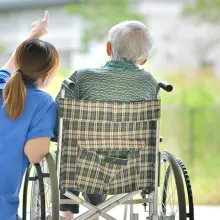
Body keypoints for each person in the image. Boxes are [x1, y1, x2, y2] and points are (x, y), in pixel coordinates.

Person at [55, 20, 158, 220]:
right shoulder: (149, 83)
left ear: (108, 48)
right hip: (131, 165)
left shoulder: (82, 77)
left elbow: (61, 112)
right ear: (144, 59)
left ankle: (67, 211)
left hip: (83, 163)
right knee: (111, 151)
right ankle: (97, 199)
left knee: (70, 147)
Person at [0, 11, 59, 220]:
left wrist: (35, 33)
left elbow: (11, 63)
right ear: (46, 75)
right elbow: (35, 154)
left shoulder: (2, 82)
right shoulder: (42, 103)